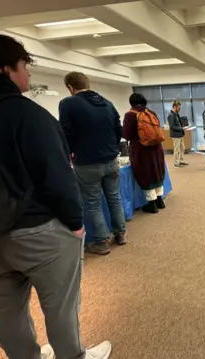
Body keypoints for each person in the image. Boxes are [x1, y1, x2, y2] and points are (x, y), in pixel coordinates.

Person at [0, 29, 111, 359]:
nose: (28, 72)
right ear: (3, 69)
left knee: (6, 305)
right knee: (60, 304)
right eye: (23, 65)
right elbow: (57, 177)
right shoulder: (24, 113)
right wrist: (75, 224)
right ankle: (74, 356)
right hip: (38, 231)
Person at [60, 71, 127, 256]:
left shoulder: (68, 103)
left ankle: (101, 242)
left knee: (92, 203)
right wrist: (112, 148)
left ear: (70, 88)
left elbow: (66, 133)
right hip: (111, 159)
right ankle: (120, 234)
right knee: (115, 198)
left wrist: (68, 154)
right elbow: (117, 129)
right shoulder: (107, 103)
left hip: (87, 162)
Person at [123, 94, 167, 214]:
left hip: (141, 149)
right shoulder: (151, 112)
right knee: (157, 170)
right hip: (156, 147)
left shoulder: (130, 115)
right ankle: (160, 200)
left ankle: (151, 204)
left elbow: (127, 135)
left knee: (145, 172)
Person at [168, 100, 189, 168]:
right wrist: (182, 129)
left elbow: (179, 124)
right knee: (177, 149)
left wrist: (183, 127)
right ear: (175, 107)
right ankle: (176, 163)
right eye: (179, 108)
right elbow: (172, 126)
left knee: (182, 148)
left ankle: (181, 160)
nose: (180, 109)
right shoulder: (171, 115)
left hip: (179, 134)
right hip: (175, 135)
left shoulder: (176, 114)